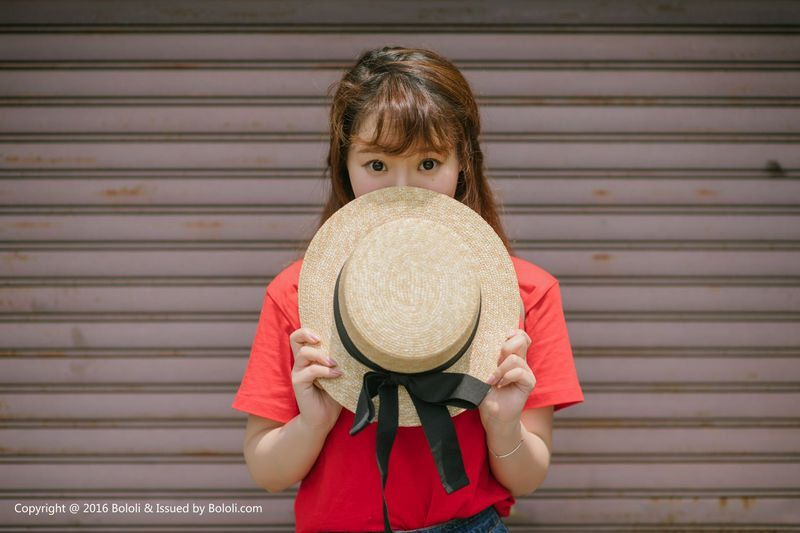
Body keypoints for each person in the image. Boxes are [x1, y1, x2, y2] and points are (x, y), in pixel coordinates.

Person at [231, 46, 585, 533]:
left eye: (428, 164)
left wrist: (502, 423)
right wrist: (314, 421)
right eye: (377, 165)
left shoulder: (524, 293)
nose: (403, 189)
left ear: (463, 164)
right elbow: (267, 472)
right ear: (345, 165)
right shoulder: (296, 295)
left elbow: (526, 477)